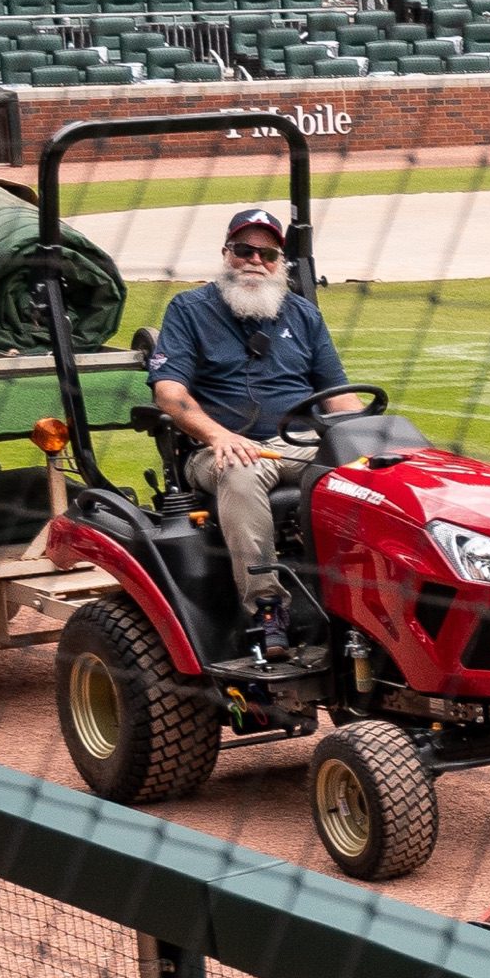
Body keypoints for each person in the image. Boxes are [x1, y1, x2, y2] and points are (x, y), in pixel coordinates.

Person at [146, 206, 361, 663]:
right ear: (226, 254)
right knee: (240, 471)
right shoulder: (189, 310)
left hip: (301, 446)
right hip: (218, 449)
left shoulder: (303, 315)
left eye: (267, 254)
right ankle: (267, 611)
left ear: (280, 263)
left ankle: (363, 599)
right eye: (244, 250)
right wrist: (218, 435)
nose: (254, 261)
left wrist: (374, 440)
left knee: (373, 471)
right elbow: (169, 393)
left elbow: (339, 396)